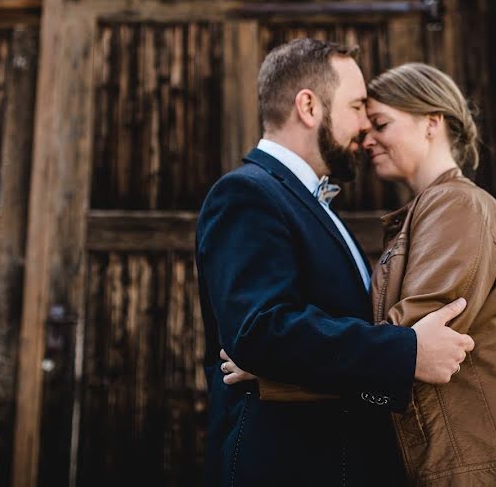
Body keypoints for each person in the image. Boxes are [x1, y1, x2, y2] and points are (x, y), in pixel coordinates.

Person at [221, 62, 496, 486]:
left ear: (432, 122)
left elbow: (416, 343)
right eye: (365, 127)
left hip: (488, 467)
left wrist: (275, 373)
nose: (366, 140)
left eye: (380, 124)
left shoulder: (457, 206)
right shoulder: (420, 216)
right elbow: (403, 349)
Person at [195, 39, 475, 487]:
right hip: (286, 466)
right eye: (358, 106)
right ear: (309, 106)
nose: (366, 127)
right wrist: (407, 352)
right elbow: (260, 328)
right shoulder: (247, 194)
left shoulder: (312, 203)